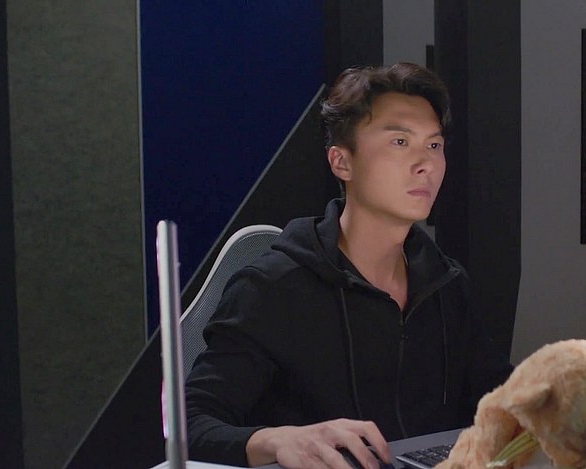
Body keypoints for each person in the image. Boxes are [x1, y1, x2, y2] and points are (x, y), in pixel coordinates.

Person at [185, 62, 513, 469]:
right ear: (342, 162)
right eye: (399, 142)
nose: (425, 164)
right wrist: (278, 440)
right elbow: (191, 425)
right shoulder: (273, 287)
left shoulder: (445, 283)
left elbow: (501, 400)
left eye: (434, 146)